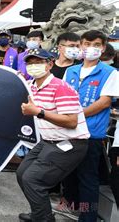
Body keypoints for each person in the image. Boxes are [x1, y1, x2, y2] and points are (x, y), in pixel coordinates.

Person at [17, 48, 90, 222]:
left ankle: (44, 219)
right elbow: (11, 80)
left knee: (33, 180)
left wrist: (38, 112)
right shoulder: (33, 85)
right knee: (22, 173)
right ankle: (40, 213)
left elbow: (71, 121)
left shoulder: (60, 86)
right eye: (30, 63)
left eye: (38, 62)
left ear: (50, 64)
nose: (33, 66)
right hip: (49, 141)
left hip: (70, 143)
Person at [61, 30, 119, 221]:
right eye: (86, 43)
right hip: (67, 130)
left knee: (88, 179)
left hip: (90, 133)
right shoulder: (71, 70)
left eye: (96, 44)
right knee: (68, 172)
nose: (90, 48)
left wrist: (76, 115)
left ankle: (88, 217)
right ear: (81, 46)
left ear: (102, 48)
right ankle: (71, 205)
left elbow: (104, 102)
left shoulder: (110, 73)